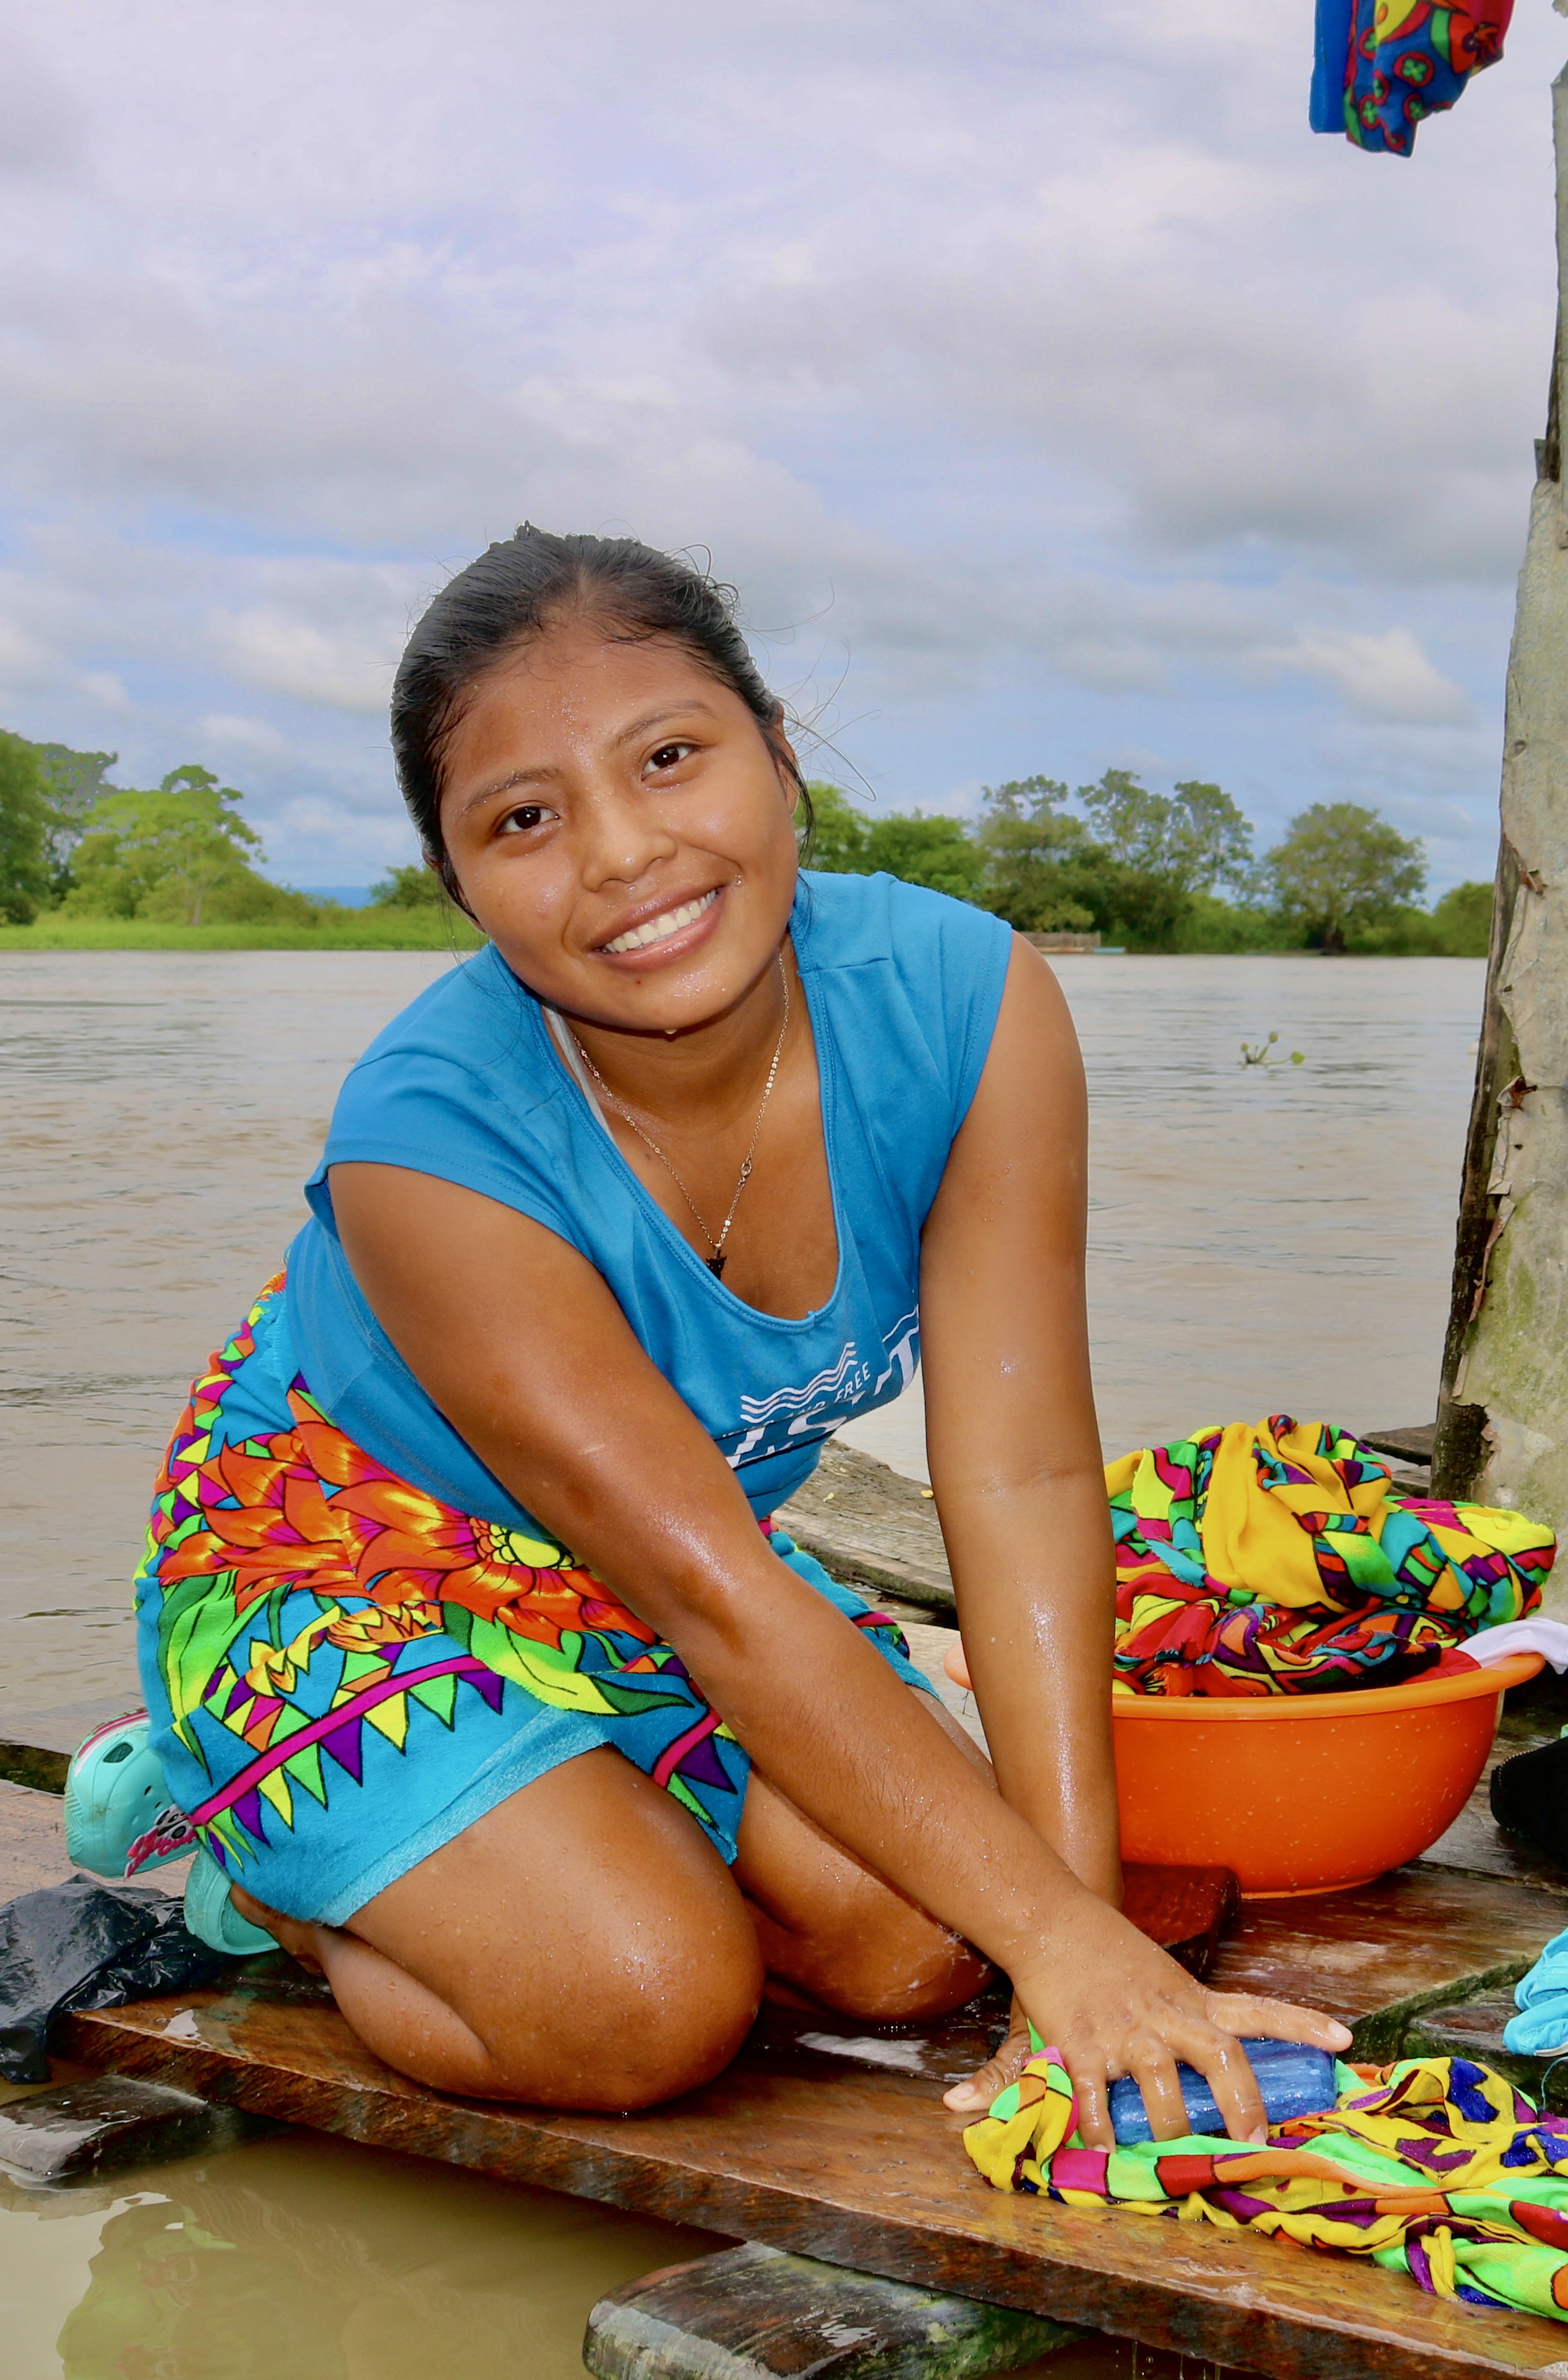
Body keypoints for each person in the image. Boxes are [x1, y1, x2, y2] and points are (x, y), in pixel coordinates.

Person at [132, 526, 1343, 2147]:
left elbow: (1027, 1477)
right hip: (338, 1564)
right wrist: (1063, 1945)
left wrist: (1071, 1935)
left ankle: (547, 1827)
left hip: (677, 1575)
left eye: (669, 758)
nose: (625, 853)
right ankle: (267, 1872)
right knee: (646, 2002)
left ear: (777, 751)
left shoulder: (965, 1004)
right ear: (459, 884)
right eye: (525, 818)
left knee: (923, 1951)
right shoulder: (425, 1139)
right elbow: (710, 1591)